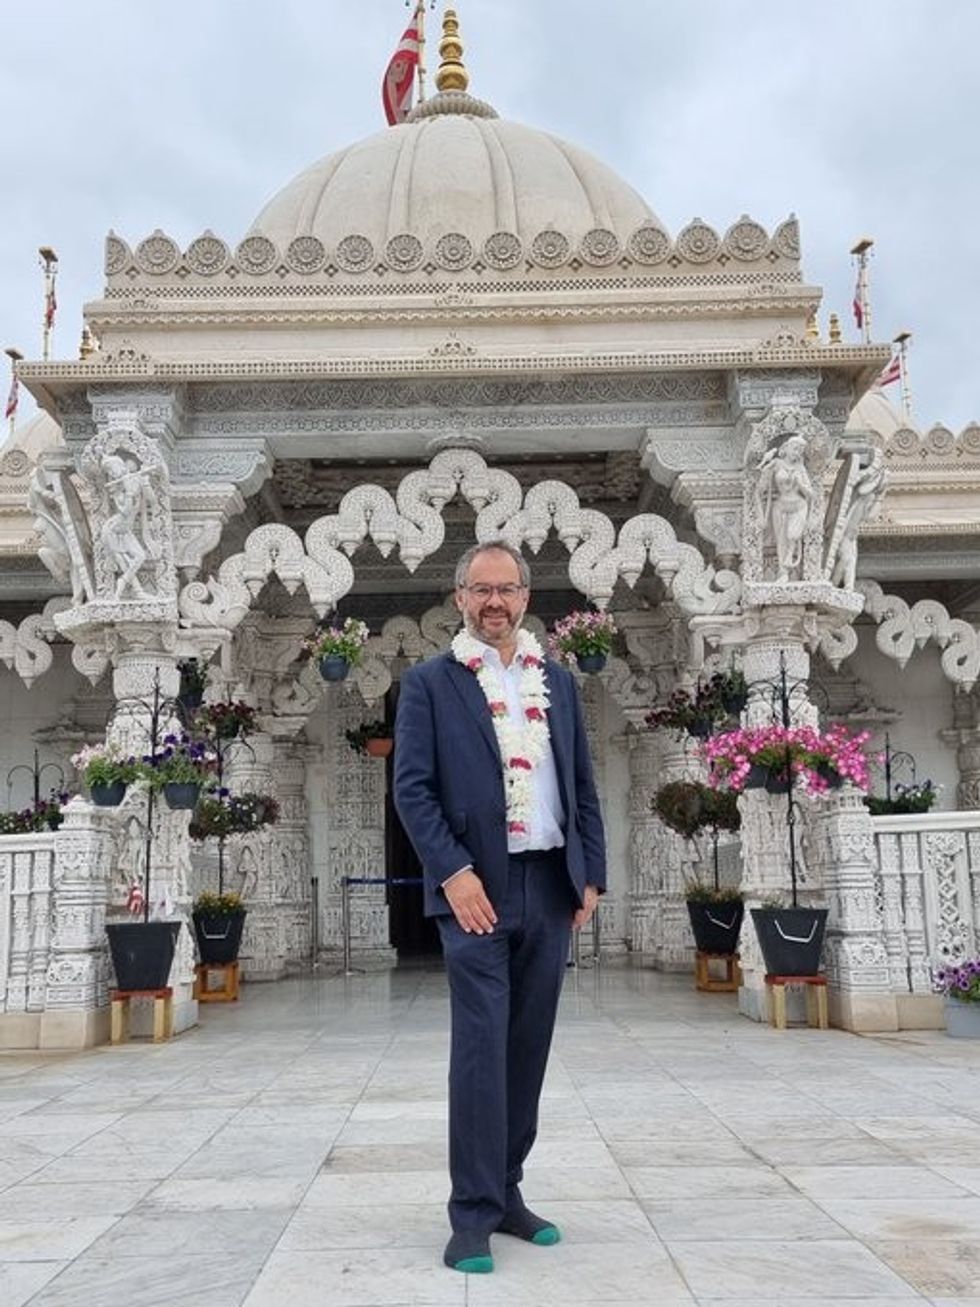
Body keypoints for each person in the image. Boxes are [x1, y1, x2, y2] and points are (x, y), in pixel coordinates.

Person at [394, 540, 606, 1275]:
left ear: (525, 595)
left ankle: (509, 1191)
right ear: (459, 597)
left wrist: (591, 873)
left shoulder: (558, 682)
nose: (495, 602)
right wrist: (452, 873)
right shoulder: (430, 683)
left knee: (527, 1045)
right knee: (481, 1049)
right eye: (480, 589)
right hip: (475, 891)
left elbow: (580, 782)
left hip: (548, 885)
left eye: (507, 589)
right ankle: (471, 1213)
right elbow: (412, 790)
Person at [756, 435, 815, 581]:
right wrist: (763, 468)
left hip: (798, 506)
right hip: (780, 507)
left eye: (800, 451)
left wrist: (801, 484)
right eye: (795, 449)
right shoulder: (776, 464)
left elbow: (810, 494)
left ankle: (790, 558)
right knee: (780, 541)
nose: (797, 453)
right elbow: (762, 481)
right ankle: (783, 571)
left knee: (793, 535)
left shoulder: (800, 468)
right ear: (786, 448)